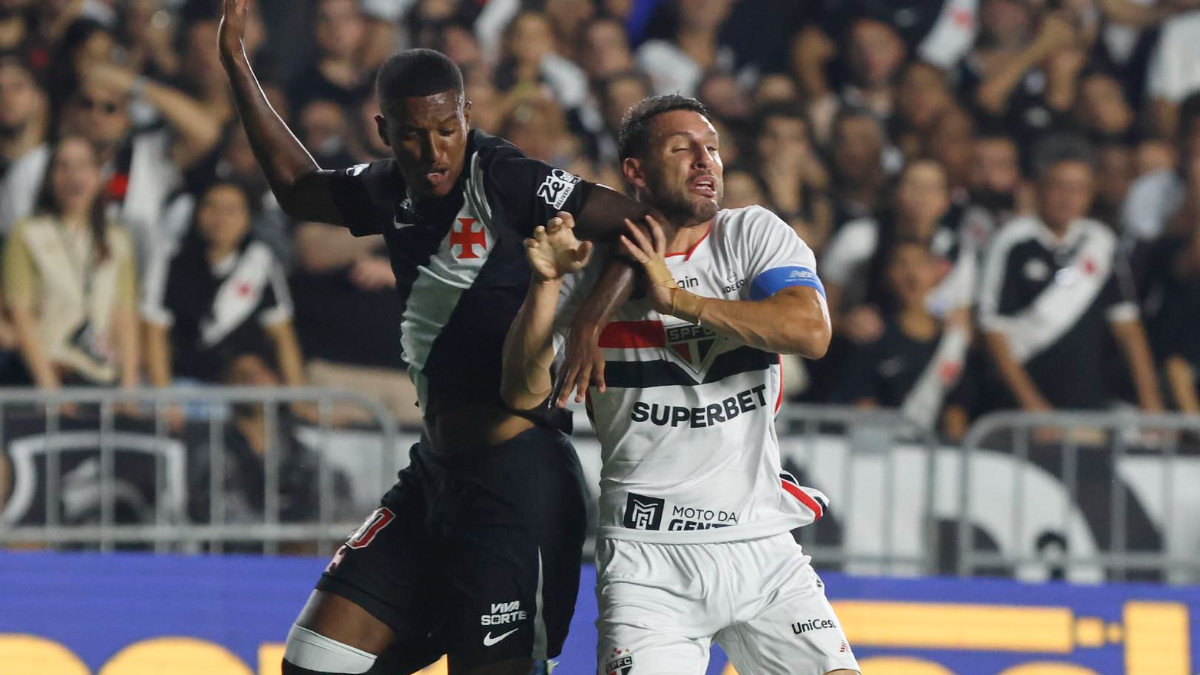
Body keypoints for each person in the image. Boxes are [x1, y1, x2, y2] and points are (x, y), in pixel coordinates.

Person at [218, 1, 653, 673]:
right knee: (313, 662)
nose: (433, 151)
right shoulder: (389, 190)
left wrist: (590, 318)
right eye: (414, 135)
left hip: (516, 488)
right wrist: (237, 64)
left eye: (447, 130)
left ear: (467, 118)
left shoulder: (505, 177)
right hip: (435, 477)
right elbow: (301, 190)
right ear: (383, 130)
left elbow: (637, 227)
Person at [501, 95, 858, 675]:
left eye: (712, 148)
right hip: (648, 560)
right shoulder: (586, 264)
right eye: (681, 148)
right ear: (634, 171)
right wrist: (544, 286)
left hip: (760, 545)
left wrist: (680, 301)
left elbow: (810, 331)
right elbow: (520, 392)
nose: (704, 161)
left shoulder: (751, 234)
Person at [978, 135, 1163, 415]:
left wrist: (1151, 402)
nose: (1068, 198)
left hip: (1088, 408)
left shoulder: (1101, 242)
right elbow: (994, 330)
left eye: (1079, 189)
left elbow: (1126, 326)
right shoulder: (1013, 242)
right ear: (1039, 187)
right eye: (1059, 186)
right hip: (1019, 417)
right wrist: (1033, 408)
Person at [2, 136, 139, 395]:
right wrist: (49, 388)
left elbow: (125, 315)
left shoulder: (117, 239)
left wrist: (129, 388)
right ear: (50, 178)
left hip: (100, 374)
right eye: (63, 166)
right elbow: (21, 313)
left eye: (82, 166)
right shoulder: (28, 233)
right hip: (46, 372)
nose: (73, 175)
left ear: (99, 176)